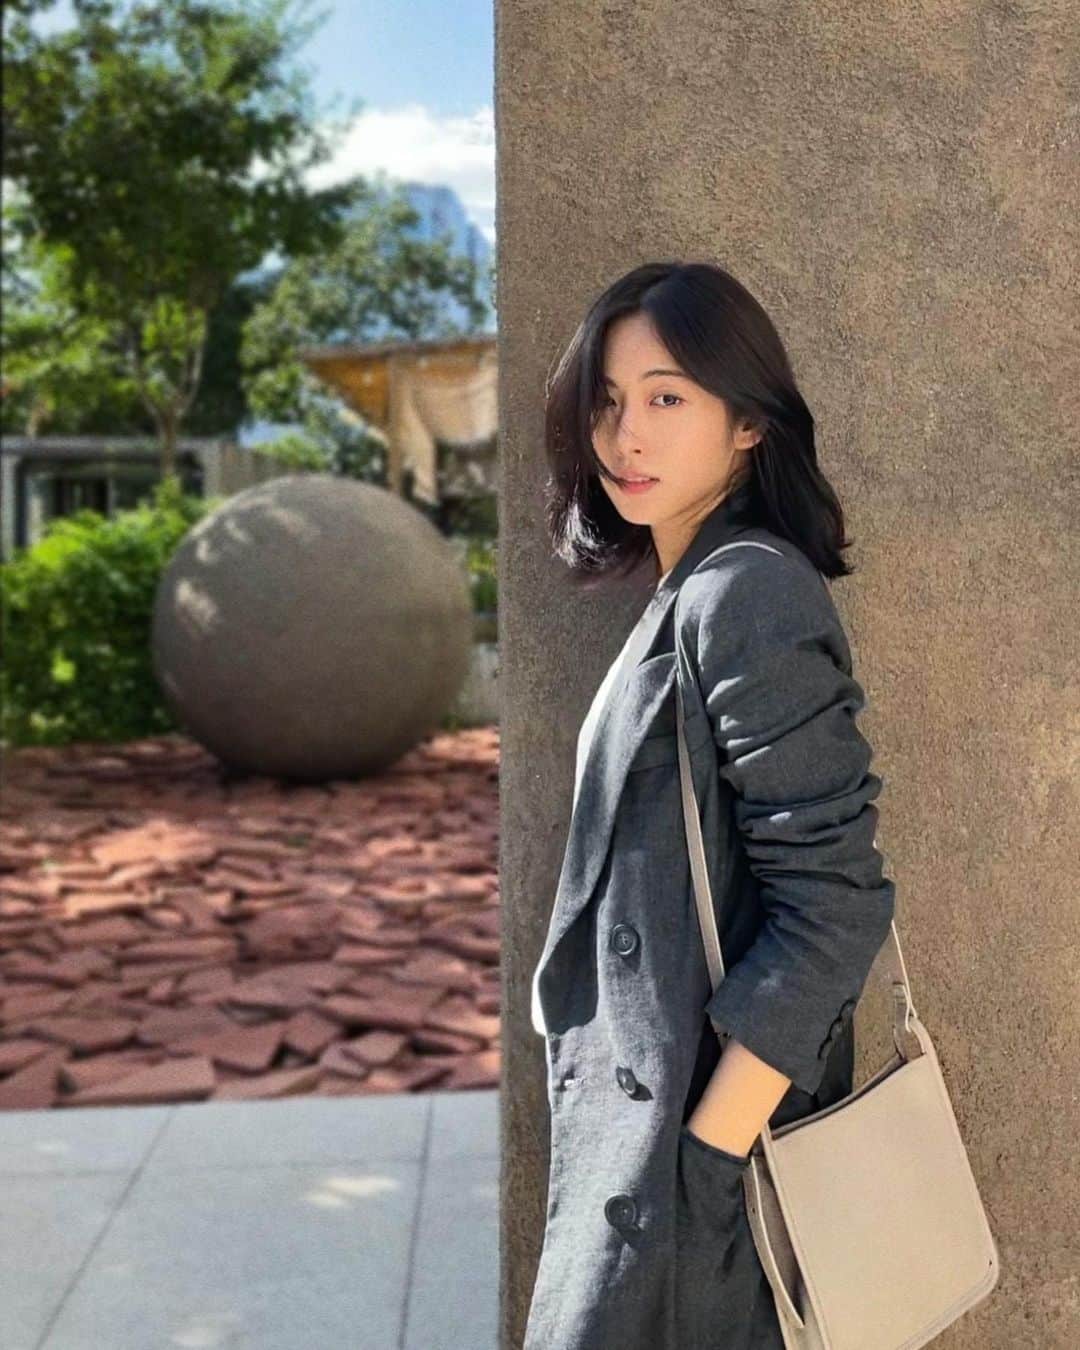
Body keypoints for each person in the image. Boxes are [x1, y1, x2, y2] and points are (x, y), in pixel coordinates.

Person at [524, 260, 897, 1349]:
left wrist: (708, 1153)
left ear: (747, 423)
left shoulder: (746, 592)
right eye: (607, 400)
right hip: (651, 1162)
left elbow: (836, 905)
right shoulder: (686, 592)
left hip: (696, 1186)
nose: (625, 435)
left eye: (667, 397)